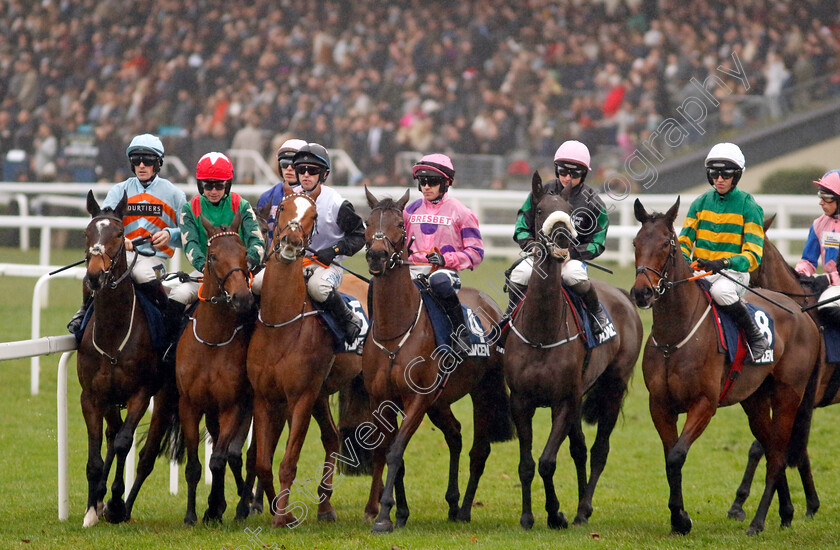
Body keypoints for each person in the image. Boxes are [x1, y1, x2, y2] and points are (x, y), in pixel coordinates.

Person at [67, 133, 186, 333]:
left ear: (158, 163)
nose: (141, 165)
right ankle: (84, 310)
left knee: (142, 273)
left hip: (155, 260)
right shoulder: (118, 190)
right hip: (122, 255)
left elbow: (189, 234)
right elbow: (104, 226)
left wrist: (170, 234)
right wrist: (124, 241)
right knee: (94, 272)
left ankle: (165, 315)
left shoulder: (175, 194)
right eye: (136, 160)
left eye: (147, 160)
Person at [679, 142, 770, 363]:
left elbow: (753, 255)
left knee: (721, 292)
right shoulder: (700, 203)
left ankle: (756, 339)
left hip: (734, 275)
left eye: (726, 174)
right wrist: (682, 263)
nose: (719, 179)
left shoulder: (749, 206)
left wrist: (725, 262)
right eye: (714, 173)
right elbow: (684, 241)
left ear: (736, 175)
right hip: (701, 272)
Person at [507, 140, 610, 336]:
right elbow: (521, 226)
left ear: (584, 173)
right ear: (556, 170)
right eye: (563, 171)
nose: (568, 177)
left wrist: (572, 254)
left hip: (570, 260)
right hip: (540, 257)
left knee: (573, 277)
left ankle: (596, 313)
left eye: (575, 173)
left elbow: (598, 242)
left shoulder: (594, 203)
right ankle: (511, 313)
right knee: (518, 275)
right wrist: (531, 245)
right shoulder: (540, 193)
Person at [168, 152, 265, 349]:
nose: (213, 190)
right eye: (208, 185)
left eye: (219, 185)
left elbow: (257, 240)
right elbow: (191, 245)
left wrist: (248, 264)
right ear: (200, 185)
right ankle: (170, 350)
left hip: (242, 270)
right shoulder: (189, 209)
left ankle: (262, 347)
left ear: (227, 185)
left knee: (265, 289)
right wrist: (208, 269)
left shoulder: (242, 205)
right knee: (177, 296)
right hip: (207, 272)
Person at [403, 153, 483, 352]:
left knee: (438, 281)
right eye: (422, 181)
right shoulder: (408, 211)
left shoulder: (462, 213)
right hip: (411, 271)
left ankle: (460, 331)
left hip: (444, 274)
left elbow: (476, 252)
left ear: (446, 183)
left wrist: (446, 259)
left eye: (432, 181)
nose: (426, 187)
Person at [291, 142, 365, 344]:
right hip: (294, 262)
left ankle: (348, 319)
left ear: (323, 175)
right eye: (301, 170)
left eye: (312, 170)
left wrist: (334, 250)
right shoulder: (290, 199)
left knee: (317, 287)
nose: (306, 175)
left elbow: (360, 235)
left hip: (327, 265)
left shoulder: (337, 204)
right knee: (261, 283)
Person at [252, 138, 307, 295]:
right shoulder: (267, 197)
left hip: (305, 261)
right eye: (284, 163)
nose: (289, 168)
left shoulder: (314, 196)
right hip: (271, 261)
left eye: (294, 164)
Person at [795, 170, 840, 327]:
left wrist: (829, 279)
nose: (821, 202)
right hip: (830, 282)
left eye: (827, 198)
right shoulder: (818, 224)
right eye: (821, 197)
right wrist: (800, 273)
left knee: (826, 307)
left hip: (834, 284)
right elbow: (808, 260)